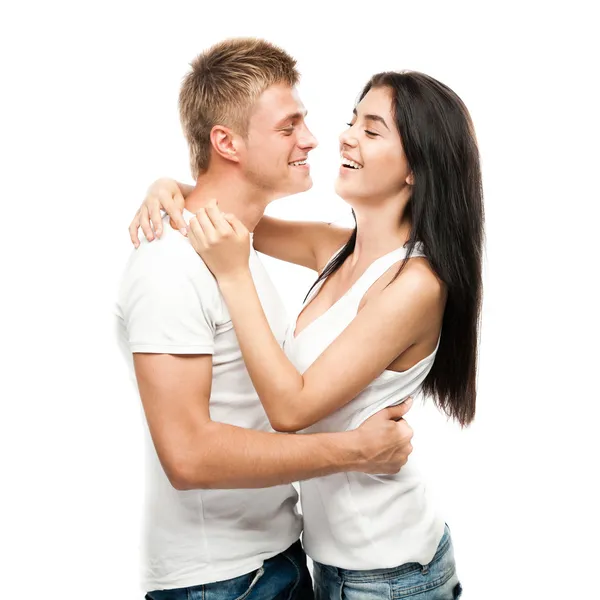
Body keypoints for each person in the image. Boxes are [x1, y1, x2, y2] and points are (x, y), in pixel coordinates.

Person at [133, 69, 483, 600]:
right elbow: (230, 215)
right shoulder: (337, 246)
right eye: (351, 121)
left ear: (416, 168)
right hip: (330, 562)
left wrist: (234, 275)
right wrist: (167, 187)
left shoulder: (416, 285)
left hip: (390, 573)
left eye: (372, 130)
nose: (344, 136)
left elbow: (291, 411)